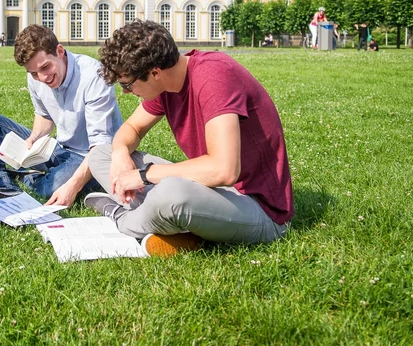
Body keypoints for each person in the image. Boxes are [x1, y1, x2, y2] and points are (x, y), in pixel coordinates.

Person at [85, 21, 294, 257]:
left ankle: (124, 219)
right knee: (102, 154)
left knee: (171, 193)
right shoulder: (165, 85)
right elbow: (132, 127)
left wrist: (143, 175)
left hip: (257, 207)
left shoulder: (214, 77)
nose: (125, 92)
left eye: (127, 84)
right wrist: (121, 153)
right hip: (209, 189)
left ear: (155, 72)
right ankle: (174, 224)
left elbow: (224, 171)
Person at [0, 25, 123, 206]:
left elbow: (100, 147)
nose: (42, 78)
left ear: (59, 51)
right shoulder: (35, 77)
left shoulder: (93, 76)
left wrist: (72, 187)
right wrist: (34, 138)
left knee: (56, 185)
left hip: (90, 156)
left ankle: (30, 179)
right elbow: (44, 116)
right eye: (34, 73)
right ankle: (1, 186)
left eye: (45, 67)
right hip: (59, 147)